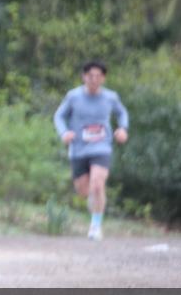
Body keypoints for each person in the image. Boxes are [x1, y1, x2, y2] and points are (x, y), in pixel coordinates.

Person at [53, 61, 129, 241]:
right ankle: (94, 200)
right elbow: (59, 116)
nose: (94, 79)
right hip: (78, 148)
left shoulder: (111, 97)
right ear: (84, 77)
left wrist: (123, 129)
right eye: (90, 76)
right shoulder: (73, 96)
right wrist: (64, 133)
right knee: (83, 190)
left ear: (103, 78)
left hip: (101, 146)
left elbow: (122, 113)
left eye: (98, 76)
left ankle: (95, 226)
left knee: (97, 183)